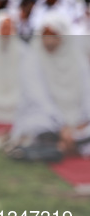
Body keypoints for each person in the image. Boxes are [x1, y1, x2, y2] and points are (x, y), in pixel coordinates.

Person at [8, 12, 90, 160]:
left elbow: (87, 94)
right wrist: (63, 126)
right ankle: (62, 145)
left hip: (77, 121)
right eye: (45, 34)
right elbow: (39, 99)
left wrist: (82, 122)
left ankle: (62, 146)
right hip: (47, 117)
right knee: (38, 125)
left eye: (53, 35)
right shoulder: (32, 59)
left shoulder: (78, 60)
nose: (48, 40)